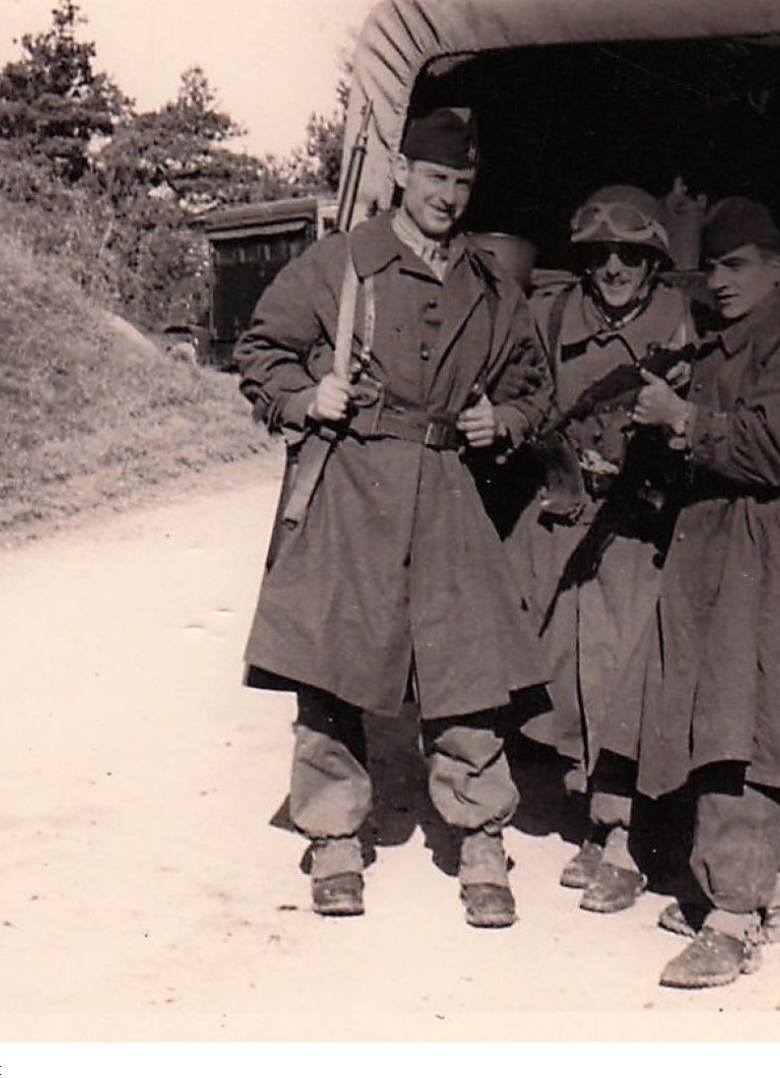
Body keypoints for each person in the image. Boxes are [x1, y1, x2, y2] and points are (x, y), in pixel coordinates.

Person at [234, 107, 555, 929]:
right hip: (354, 483)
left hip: (448, 489)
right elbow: (260, 350)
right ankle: (336, 837)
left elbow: (533, 384)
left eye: (462, 182)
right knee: (332, 666)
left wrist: (506, 422)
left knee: (467, 673)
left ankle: (481, 835)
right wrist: (308, 398)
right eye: (436, 177)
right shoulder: (343, 263)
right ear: (403, 174)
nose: (448, 196)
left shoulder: (489, 284)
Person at [630, 197, 780, 988]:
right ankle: (769, 891)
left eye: (736, 267)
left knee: (743, 725)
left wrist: (683, 418)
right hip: (737, 538)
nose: (720, 283)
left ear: (778, 264)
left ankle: (731, 919)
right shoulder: (742, 335)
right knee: (733, 715)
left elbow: (770, 449)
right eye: (712, 269)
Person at [511, 185, 693, 914]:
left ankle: (631, 839)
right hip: (563, 514)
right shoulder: (553, 313)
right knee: (565, 670)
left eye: (631, 254)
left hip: (639, 523)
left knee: (625, 675)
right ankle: (596, 815)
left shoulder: (684, 322)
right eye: (600, 254)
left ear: (654, 261)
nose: (614, 267)